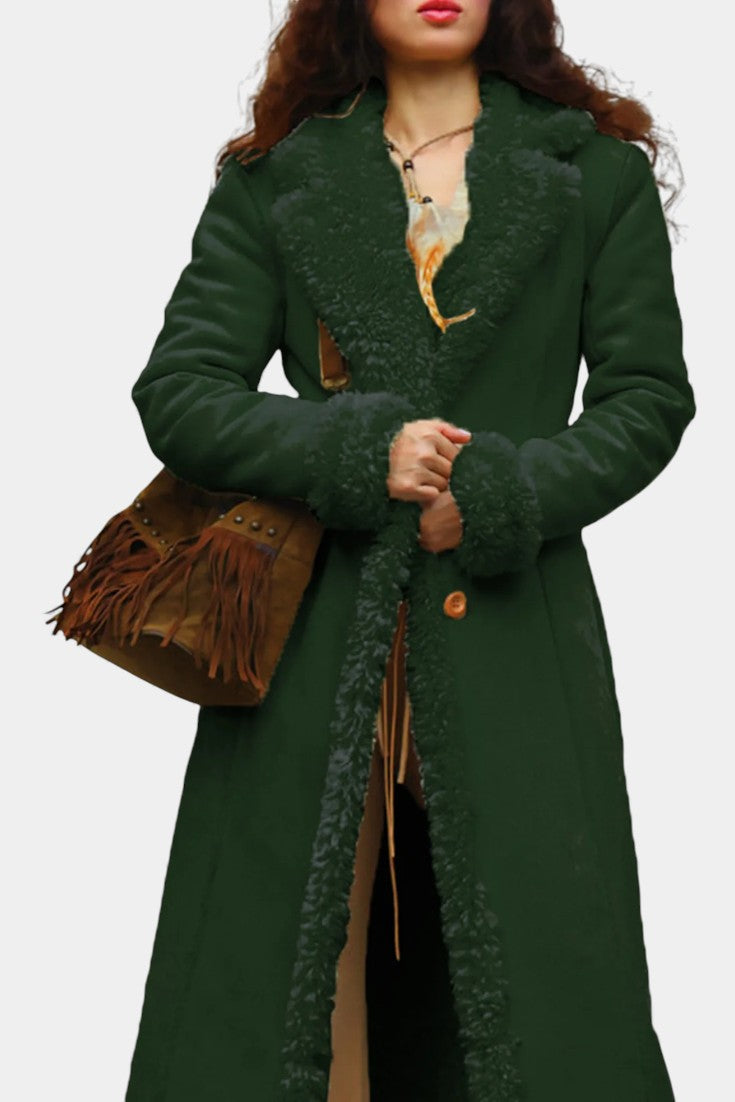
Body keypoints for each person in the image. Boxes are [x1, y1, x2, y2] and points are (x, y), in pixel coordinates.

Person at [124, 2, 696, 1100]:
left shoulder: (594, 175)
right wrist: (353, 450)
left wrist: (504, 493)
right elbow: (182, 391)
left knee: (540, 986)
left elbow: (646, 400)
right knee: (286, 987)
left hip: (518, 640)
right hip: (309, 647)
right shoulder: (275, 178)